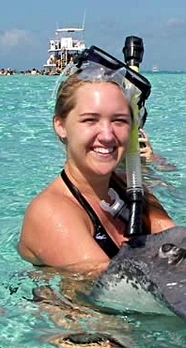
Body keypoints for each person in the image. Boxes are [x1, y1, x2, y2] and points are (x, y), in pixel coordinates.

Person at [18, 46, 176, 273]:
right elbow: (111, 293)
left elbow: (185, 245)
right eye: (90, 120)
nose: (107, 135)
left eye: (119, 120)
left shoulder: (130, 187)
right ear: (60, 125)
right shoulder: (50, 213)